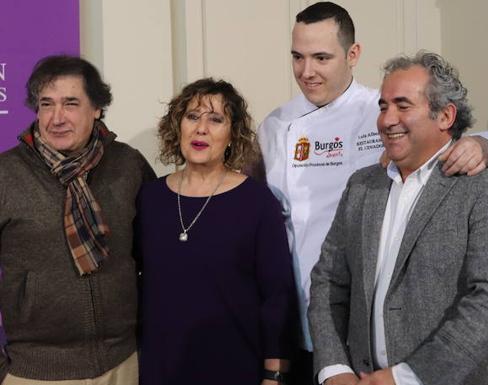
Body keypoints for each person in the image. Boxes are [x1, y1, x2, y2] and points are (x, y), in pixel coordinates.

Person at [256, 3, 488, 383]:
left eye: (321, 57)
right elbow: (326, 276)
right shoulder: (276, 127)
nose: (307, 71)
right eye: (297, 57)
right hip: (317, 331)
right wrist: (333, 368)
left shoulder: (482, 184)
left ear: (353, 55)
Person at [308, 51, 488, 385]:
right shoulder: (362, 186)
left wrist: (408, 377)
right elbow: (327, 282)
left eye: (402, 105)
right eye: (383, 106)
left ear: (445, 115)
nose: (386, 119)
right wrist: (334, 369)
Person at [0, 55, 155, 384]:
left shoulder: (129, 166)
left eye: (71, 103)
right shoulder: (6, 174)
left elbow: (156, 258)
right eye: (46, 104)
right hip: (33, 372)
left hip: (123, 363)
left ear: (97, 108)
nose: (57, 118)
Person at [136, 78, 297, 385]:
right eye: (192, 117)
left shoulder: (257, 202)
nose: (201, 129)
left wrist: (274, 375)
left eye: (215, 119)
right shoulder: (150, 198)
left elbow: (277, 296)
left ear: (232, 133)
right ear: (177, 126)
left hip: (235, 367)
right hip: (161, 369)